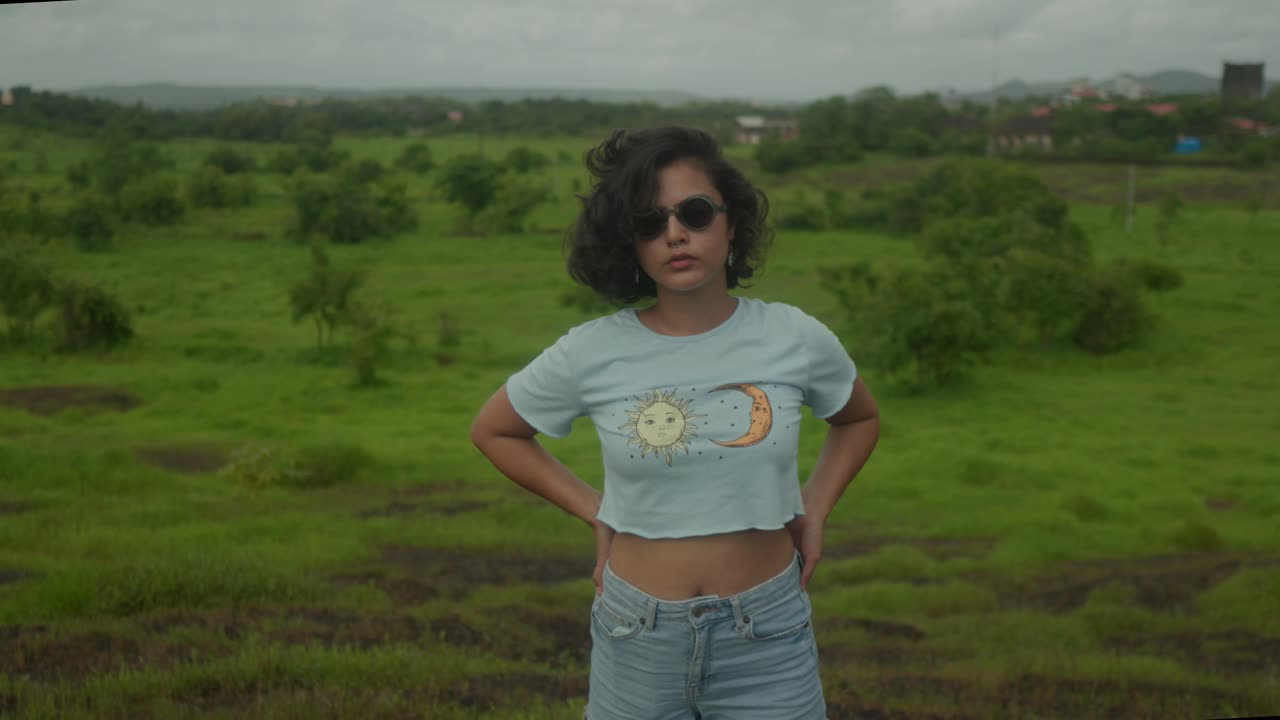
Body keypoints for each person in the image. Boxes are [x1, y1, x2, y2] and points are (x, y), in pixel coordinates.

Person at [470, 126, 879, 720]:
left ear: (731, 223)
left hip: (768, 633)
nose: (675, 234)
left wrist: (814, 509)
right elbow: (495, 431)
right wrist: (597, 509)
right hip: (637, 636)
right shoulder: (593, 350)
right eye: (648, 222)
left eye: (694, 212)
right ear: (629, 244)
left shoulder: (793, 336)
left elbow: (858, 419)